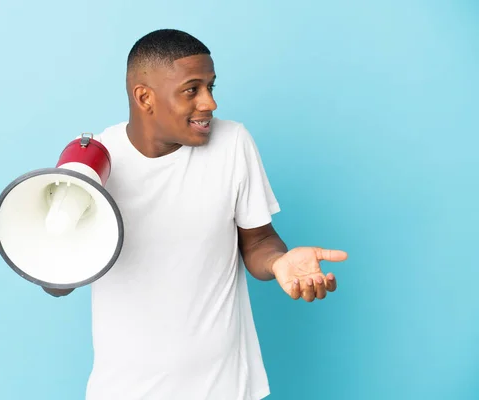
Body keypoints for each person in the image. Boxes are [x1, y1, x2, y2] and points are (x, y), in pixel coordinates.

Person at [43, 29, 348, 400]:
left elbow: (259, 241)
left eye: (211, 87)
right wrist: (60, 226)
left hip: (224, 388)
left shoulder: (233, 142)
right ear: (145, 97)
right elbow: (55, 284)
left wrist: (280, 262)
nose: (210, 103)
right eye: (192, 90)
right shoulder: (96, 163)